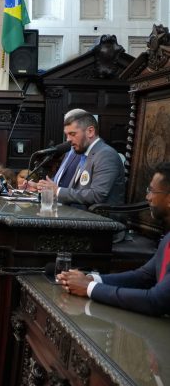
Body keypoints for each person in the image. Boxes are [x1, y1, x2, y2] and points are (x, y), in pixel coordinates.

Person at [58, 163, 170, 315]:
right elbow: (143, 276)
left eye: (151, 190)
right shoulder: (167, 239)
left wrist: (89, 288)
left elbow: (155, 301)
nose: (147, 197)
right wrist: (92, 279)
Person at [35, 110, 126, 209]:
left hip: (102, 220)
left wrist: (57, 191)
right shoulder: (84, 153)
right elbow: (75, 190)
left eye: (72, 134)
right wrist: (45, 188)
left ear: (90, 132)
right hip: (80, 216)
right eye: (67, 135)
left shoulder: (106, 154)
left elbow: (97, 195)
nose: (68, 139)